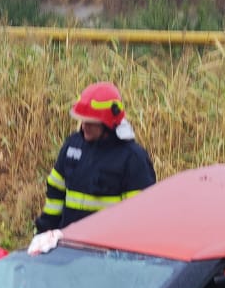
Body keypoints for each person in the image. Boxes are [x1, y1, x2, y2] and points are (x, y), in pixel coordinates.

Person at [35, 81, 156, 232]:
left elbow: (139, 214)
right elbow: (55, 189)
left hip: (106, 249)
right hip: (69, 242)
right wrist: (45, 230)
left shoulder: (133, 158)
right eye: (83, 120)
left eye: (91, 122)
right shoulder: (73, 145)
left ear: (108, 125)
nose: (84, 126)